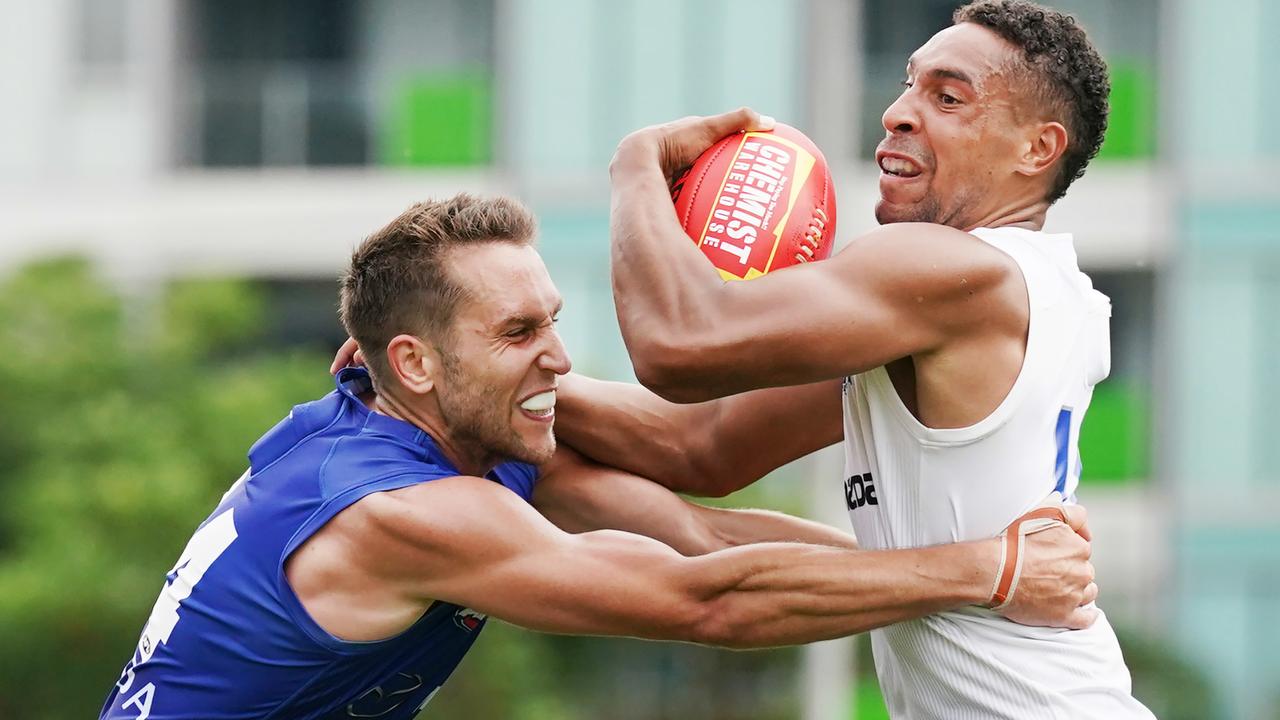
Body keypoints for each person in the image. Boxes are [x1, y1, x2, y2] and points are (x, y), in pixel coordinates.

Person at [101, 194, 1094, 720]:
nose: (560, 360)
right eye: (517, 332)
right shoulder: (401, 514)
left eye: (554, 321)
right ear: (413, 360)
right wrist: (986, 569)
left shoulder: (436, 429)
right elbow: (706, 601)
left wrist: (972, 574)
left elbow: (698, 529)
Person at [557, 1, 1155, 718]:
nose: (898, 112)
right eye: (908, 84)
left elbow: (679, 344)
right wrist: (482, 385)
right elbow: (702, 445)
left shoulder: (950, 270)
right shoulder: (1017, 290)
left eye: (948, 97)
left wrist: (637, 168)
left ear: (1036, 149)